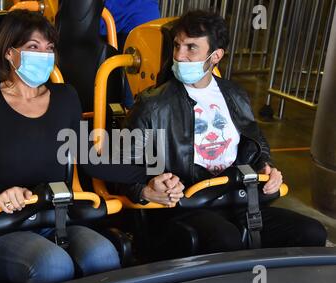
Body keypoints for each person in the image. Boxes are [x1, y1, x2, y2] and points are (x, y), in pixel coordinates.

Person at [0, 10, 184, 283]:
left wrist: (147, 183)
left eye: (49, 48)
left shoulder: (66, 97)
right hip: (2, 225)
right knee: (53, 266)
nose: (43, 55)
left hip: (57, 218)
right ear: (9, 53)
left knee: (104, 255)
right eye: (33, 47)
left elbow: (90, 160)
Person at [118, 10, 327, 259]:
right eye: (177, 46)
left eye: (191, 48)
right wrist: (145, 189)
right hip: (189, 205)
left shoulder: (235, 95)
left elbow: (256, 143)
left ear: (215, 56)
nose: (179, 56)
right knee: (225, 240)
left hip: (239, 200)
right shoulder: (153, 104)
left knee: (312, 232)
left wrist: (267, 167)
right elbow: (121, 165)